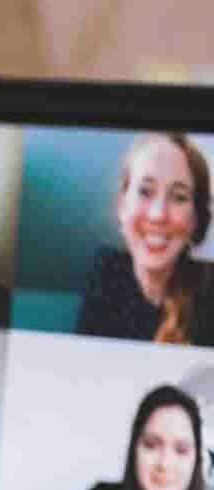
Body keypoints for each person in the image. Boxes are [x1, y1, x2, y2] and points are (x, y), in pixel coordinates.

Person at [74, 133, 214, 345]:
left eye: (179, 197)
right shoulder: (106, 270)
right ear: (122, 205)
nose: (158, 214)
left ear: (196, 219)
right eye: (145, 191)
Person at [65, 385, 214, 490]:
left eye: (181, 450)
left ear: (196, 459)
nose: (164, 464)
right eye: (151, 445)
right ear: (134, 449)